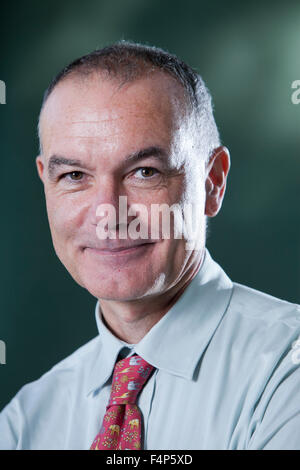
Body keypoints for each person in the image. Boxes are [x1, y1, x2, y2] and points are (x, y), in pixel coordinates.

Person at [0, 41, 299, 450]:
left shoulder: (287, 371)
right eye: (73, 176)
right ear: (45, 182)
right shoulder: (24, 423)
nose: (108, 213)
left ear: (213, 183)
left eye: (144, 172)